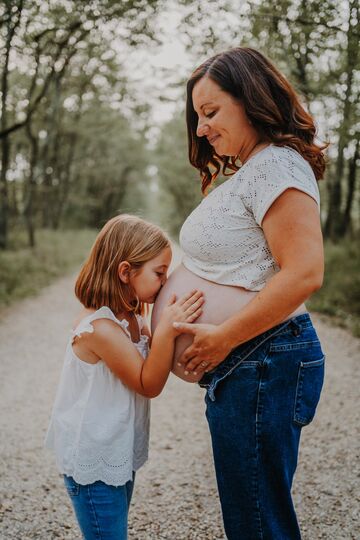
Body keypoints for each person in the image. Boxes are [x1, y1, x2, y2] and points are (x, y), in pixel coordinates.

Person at [151, 47, 326, 539]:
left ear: (251, 100)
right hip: (253, 364)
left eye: (211, 112)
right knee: (253, 515)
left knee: (257, 523)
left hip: (261, 359)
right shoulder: (255, 169)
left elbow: (305, 273)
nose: (201, 128)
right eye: (197, 116)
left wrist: (224, 337)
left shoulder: (276, 166)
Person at [45, 214, 203, 540]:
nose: (165, 282)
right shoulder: (100, 328)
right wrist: (168, 331)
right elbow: (149, 383)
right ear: (125, 272)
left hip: (117, 450)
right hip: (94, 461)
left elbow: (161, 362)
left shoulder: (131, 318)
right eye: (159, 273)